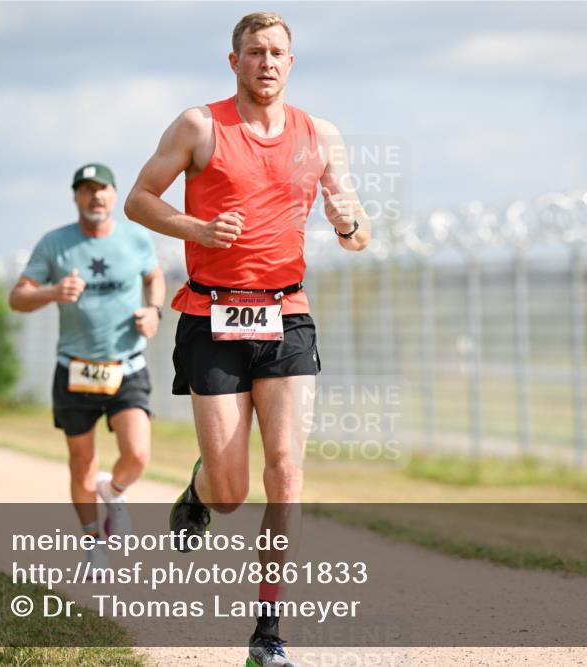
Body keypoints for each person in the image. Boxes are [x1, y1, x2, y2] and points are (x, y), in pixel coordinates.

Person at [124, 12, 369, 667]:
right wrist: (196, 230)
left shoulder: (321, 135)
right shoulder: (199, 126)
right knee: (232, 492)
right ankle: (201, 486)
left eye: (278, 52)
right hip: (212, 318)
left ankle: (269, 632)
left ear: (291, 62)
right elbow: (139, 199)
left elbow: (356, 222)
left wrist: (349, 224)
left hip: (287, 314)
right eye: (254, 51)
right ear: (232, 61)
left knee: (286, 471)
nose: (266, 62)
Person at [9, 163, 165, 573]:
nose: (96, 196)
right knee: (81, 462)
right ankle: (93, 542)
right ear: (75, 197)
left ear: (115, 195)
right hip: (75, 368)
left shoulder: (135, 237)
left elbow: (155, 277)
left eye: (103, 189)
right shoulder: (56, 244)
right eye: (87, 190)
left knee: (138, 454)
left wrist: (154, 310)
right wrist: (52, 291)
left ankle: (113, 492)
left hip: (126, 366)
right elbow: (17, 298)